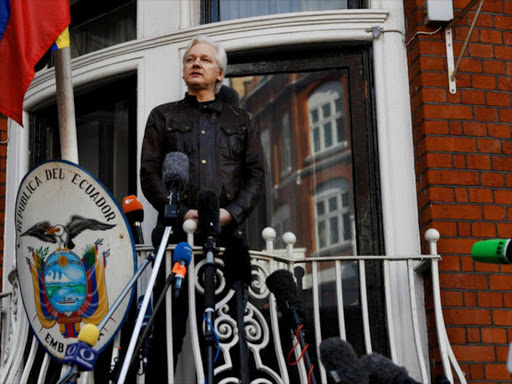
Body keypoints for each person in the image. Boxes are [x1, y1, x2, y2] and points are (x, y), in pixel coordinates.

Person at [139, 35, 265, 379]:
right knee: (165, 334)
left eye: (205, 60)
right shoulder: (162, 117)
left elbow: (255, 177)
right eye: (190, 59)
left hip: (226, 239)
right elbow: (149, 174)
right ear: (183, 72)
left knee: (233, 331)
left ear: (220, 73)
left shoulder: (241, 120)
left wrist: (230, 214)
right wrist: (181, 213)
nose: (196, 63)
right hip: (177, 241)